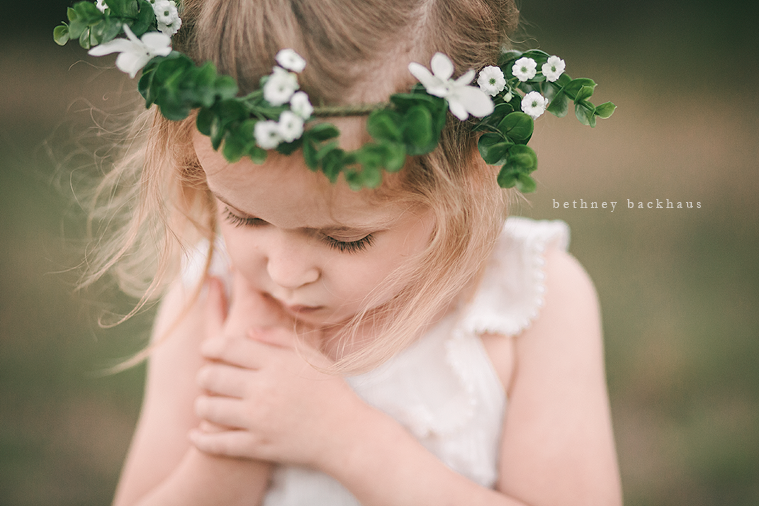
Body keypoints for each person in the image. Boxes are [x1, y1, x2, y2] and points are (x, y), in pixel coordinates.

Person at [61, 0, 622, 504]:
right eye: (244, 216)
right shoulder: (214, 302)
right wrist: (235, 451)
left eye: (343, 238)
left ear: (469, 174)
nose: (283, 272)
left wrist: (346, 440)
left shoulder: (530, 306)